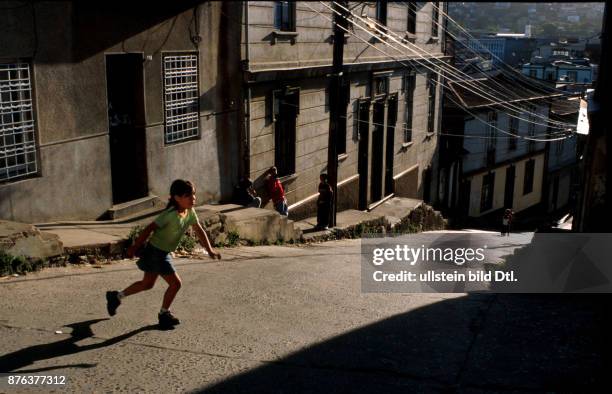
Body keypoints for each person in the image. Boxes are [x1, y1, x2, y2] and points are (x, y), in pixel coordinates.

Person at [106, 179, 221, 329]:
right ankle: (164, 314)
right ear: (177, 198)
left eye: (193, 194)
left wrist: (210, 250)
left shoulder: (190, 212)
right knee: (175, 284)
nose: (193, 198)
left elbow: (199, 230)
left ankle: (116, 296)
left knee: (147, 284)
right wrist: (134, 247)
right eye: (188, 195)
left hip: (160, 252)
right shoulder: (170, 214)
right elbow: (149, 229)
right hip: (155, 252)